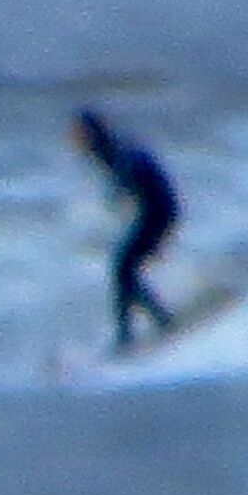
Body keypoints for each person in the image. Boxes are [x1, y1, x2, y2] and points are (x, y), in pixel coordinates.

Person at [74, 107, 180, 350]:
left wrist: (121, 184)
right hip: (152, 210)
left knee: (122, 268)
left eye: (79, 132)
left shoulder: (112, 147)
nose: (74, 138)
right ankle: (146, 325)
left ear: (91, 131)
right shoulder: (100, 149)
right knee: (123, 269)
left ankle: (138, 330)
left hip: (161, 210)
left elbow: (136, 162)